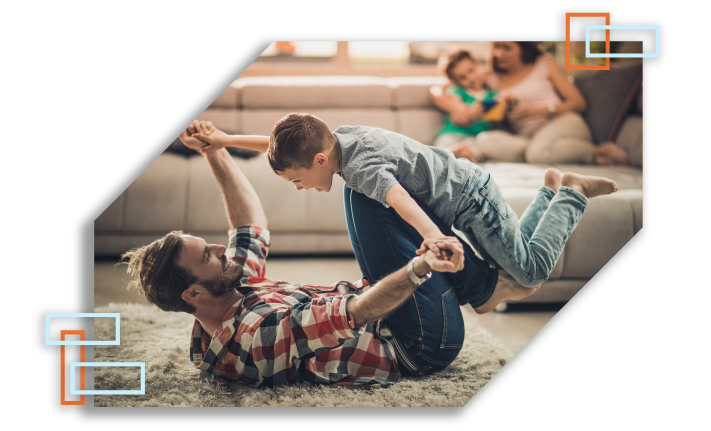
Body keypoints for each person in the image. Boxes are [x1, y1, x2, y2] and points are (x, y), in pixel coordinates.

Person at [118, 120, 538, 389]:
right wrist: (419, 267)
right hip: (419, 345)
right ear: (192, 293)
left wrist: (216, 150)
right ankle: (484, 284)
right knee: (365, 186)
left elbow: (248, 227)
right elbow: (355, 313)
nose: (218, 249)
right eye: (205, 255)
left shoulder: (224, 287)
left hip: (398, 318)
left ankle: (483, 288)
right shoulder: (250, 337)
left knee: (361, 180)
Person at [192, 113, 618, 294]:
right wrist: (225, 140)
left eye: (300, 180)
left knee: (530, 272)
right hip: (469, 191)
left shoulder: (360, 170)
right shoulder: (337, 135)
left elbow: (399, 201)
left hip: (471, 201)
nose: (301, 188)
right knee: (517, 259)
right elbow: (275, 142)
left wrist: (433, 239)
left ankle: (572, 193)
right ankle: (549, 190)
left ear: (320, 161)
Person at [428, 41, 631, 165]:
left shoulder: (545, 63)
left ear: (523, 47)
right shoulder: (492, 77)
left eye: (507, 47)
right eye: (496, 46)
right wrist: (455, 107)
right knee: (484, 140)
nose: (499, 53)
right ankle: (543, 151)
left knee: (536, 152)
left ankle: (598, 151)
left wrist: (537, 111)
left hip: (564, 123)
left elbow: (579, 103)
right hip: (529, 138)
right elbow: (439, 87)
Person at [432, 48, 502, 163]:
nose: (470, 78)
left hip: (474, 138)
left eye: (471, 71)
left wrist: (506, 104)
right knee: (443, 146)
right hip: (451, 134)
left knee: (476, 149)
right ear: (455, 80)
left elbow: (500, 114)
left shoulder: (493, 96)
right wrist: (469, 111)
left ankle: (463, 158)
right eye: (462, 77)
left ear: (476, 64)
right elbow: (456, 112)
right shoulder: (457, 91)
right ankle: (449, 155)